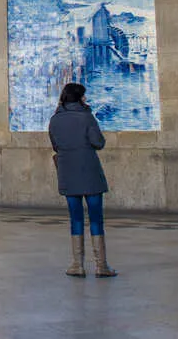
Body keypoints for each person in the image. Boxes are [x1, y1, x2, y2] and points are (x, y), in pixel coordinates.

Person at [48, 82, 115, 278]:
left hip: (68, 173)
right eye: (84, 95)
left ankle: (77, 264)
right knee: (96, 218)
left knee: (75, 219)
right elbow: (98, 142)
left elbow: (55, 145)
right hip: (89, 173)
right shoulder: (87, 117)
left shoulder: (55, 120)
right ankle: (101, 265)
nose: (86, 98)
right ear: (79, 97)